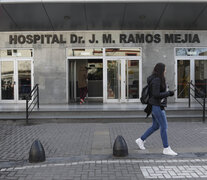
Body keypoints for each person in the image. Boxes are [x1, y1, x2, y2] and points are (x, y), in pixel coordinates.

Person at [135, 63, 177, 156]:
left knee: (156, 126)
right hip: (157, 106)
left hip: (156, 106)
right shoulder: (157, 80)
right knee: (164, 127)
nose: (165, 71)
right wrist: (168, 93)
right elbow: (156, 94)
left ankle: (141, 140)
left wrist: (167, 93)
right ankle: (166, 148)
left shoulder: (157, 79)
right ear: (161, 70)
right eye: (165, 69)